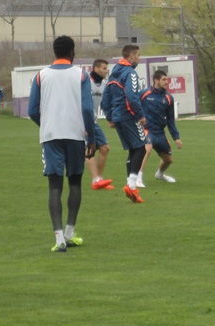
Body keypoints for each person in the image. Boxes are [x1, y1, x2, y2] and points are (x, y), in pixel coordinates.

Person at [28, 36, 97, 252]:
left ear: (54, 52)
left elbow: (32, 110)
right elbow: (87, 109)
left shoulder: (41, 75)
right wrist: (91, 137)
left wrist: (46, 124)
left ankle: (58, 239)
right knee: (75, 182)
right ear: (72, 52)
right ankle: (69, 232)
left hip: (51, 136)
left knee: (54, 186)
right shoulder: (81, 75)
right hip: (75, 134)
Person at [102, 45, 147, 203]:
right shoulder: (130, 73)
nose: (139, 59)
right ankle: (131, 185)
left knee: (132, 150)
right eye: (139, 55)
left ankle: (132, 189)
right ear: (132, 56)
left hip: (118, 116)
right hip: (128, 116)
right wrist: (140, 115)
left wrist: (109, 116)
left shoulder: (114, 74)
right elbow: (131, 95)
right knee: (141, 148)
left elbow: (105, 97)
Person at [139, 70, 182, 185]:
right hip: (147, 129)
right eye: (164, 79)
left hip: (160, 132)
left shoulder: (168, 98)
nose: (166, 82)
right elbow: (133, 106)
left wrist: (176, 137)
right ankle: (138, 178)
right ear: (156, 80)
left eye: (167, 79)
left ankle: (160, 174)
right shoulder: (144, 94)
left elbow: (170, 120)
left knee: (168, 160)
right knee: (147, 149)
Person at [87, 59, 113, 190]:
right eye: (104, 68)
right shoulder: (86, 82)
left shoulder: (103, 84)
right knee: (88, 149)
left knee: (105, 148)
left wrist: (110, 118)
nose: (106, 71)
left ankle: (99, 179)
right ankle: (96, 179)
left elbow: (104, 104)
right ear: (96, 69)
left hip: (93, 121)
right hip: (82, 121)